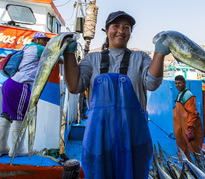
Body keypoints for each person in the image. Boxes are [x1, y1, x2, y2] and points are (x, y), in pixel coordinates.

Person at [63, 10, 170, 178]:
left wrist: (160, 54)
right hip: (99, 138)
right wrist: (68, 54)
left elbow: (152, 83)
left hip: (134, 136)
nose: (121, 31)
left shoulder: (140, 57)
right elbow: (74, 86)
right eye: (116, 26)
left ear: (130, 33)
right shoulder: (92, 59)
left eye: (126, 27)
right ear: (106, 30)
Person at [0, 31, 50, 157]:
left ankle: (1, 147)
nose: (46, 42)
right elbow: (53, 58)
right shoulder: (39, 48)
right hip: (20, 85)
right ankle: (17, 150)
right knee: (20, 117)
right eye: (44, 40)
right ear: (37, 40)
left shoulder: (25, 48)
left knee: (6, 115)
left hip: (9, 83)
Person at [173, 75, 205, 161]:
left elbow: (192, 113)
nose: (177, 85)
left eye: (179, 83)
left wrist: (190, 128)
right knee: (182, 146)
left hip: (188, 126)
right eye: (176, 83)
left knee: (196, 147)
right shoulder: (180, 94)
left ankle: (202, 166)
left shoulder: (188, 95)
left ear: (184, 83)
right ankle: (185, 164)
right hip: (181, 127)